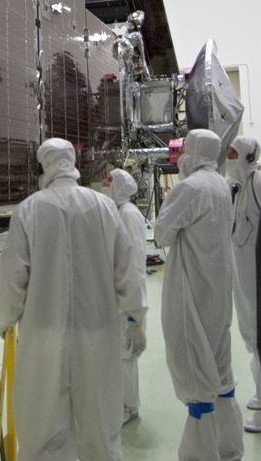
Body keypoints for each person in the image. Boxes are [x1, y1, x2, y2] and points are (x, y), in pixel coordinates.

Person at [0, 138, 147, 461]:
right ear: (72, 162)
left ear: (43, 165)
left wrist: (5, 318)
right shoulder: (103, 207)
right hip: (99, 332)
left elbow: (12, 278)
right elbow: (126, 270)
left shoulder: (30, 210)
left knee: (44, 430)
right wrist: (135, 317)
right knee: (101, 429)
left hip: (44, 335)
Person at [154, 128, 245, 461]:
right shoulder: (221, 185)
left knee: (195, 372)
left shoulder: (190, 188)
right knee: (221, 373)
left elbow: (162, 233)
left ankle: (201, 455)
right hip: (218, 292)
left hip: (192, 292)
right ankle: (229, 449)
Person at [226, 135, 261, 433]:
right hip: (242, 276)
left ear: (247, 156)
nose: (228, 156)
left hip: (258, 275)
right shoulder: (237, 188)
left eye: (232, 152)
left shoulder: (259, 183)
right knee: (250, 337)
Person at [104, 167, 149, 423]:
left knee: (126, 355)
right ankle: (122, 403)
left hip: (128, 299)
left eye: (109, 179)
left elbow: (134, 264)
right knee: (120, 354)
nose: (104, 183)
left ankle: (129, 407)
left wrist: (134, 312)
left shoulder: (128, 215)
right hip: (120, 297)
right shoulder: (118, 212)